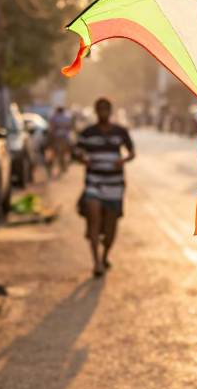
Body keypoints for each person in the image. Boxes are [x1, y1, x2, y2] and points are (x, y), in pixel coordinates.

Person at [73, 97, 135, 277]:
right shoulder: (87, 133)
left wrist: (122, 160)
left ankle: (105, 254)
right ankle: (96, 261)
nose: (103, 114)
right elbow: (76, 150)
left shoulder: (120, 132)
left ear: (110, 111)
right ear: (96, 112)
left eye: (105, 110)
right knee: (94, 220)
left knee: (110, 225)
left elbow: (131, 152)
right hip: (94, 182)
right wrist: (81, 158)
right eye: (99, 110)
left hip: (114, 184)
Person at [48, 105, 74, 177]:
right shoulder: (67, 117)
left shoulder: (54, 117)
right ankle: (63, 167)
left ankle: (51, 169)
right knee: (64, 153)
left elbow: (51, 128)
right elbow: (70, 127)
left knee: (54, 153)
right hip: (65, 137)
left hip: (56, 137)